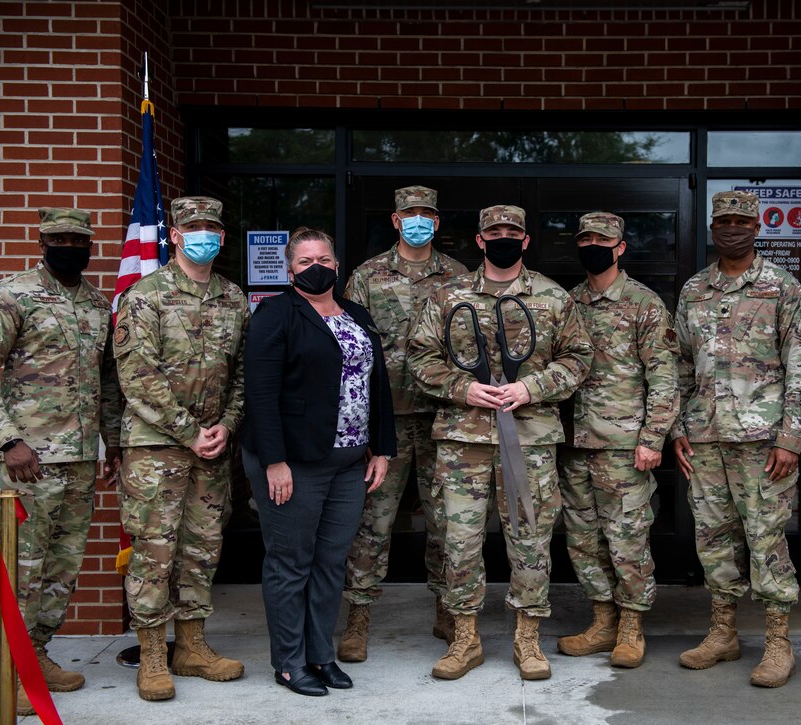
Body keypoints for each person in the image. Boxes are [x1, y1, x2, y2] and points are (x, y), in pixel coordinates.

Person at [407, 204, 592, 681]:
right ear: (480, 240)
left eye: (513, 231)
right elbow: (420, 357)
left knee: (529, 538)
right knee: (460, 540)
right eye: (495, 231)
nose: (504, 237)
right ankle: (464, 638)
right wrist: (462, 387)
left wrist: (531, 387)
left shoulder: (552, 298)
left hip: (528, 439)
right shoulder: (448, 296)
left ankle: (527, 639)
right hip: (463, 440)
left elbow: (579, 359)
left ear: (526, 241)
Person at [0, 207, 122, 715]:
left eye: (79, 239)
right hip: (27, 462)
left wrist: (112, 442)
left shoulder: (98, 304)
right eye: (59, 238)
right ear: (42, 241)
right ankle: (5, 671)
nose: (70, 246)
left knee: (62, 566)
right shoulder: (10, 295)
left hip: (78, 461)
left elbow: (108, 383)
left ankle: (37, 652)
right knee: (19, 567)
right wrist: (9, 442)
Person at [671, 190, 801, 688]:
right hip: (705, 436)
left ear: (757, 228)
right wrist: (677, 427)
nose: (732, 228)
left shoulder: (782, 288)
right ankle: (723, 633)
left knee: (766, 540)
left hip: (764, 443)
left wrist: (792, 439)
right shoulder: (694, 290)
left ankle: (778, 642)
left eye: (741, 221)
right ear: (713, 228)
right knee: (713, 539)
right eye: (724, 221)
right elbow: (680, 366)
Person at [240, 227, 396, 697]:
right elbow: (260, 393)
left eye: (323, 259)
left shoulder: (357, 313)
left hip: (349, 463)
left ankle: (320, 655)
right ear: (289, 271)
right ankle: (289, 662)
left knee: (330, 562)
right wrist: (275, 461)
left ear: (337, 264)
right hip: (294, 462)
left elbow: (378, 385)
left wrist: (382, 447)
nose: (316, 268)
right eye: (305, 261)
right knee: (291, 562)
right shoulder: (275, 314)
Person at [113, 196, 249, 701]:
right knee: (154, 550)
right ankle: (152, 653)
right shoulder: (144, 296)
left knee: (202, 549)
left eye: (213, 226)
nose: (204, 233)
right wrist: (188, 430)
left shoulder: (233, 299)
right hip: (156, 449)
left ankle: (192, 645)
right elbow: (137, 377)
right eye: (194, 226)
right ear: (174, 234)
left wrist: (227, 426)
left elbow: (242, 375)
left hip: (212, 449)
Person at [338, 186, 468, 662]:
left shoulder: (459, 277)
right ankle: (358, 618)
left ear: (437, 221)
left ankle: (448, 610)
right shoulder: (368, 276)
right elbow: (347, 347)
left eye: (426, 214)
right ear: (395, 221)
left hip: (443, 418)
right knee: (371, 523)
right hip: (385, 420)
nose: (418, 220)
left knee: (447, 521)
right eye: (409, 213)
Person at [556, 212, 679, 669]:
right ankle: (602, 619)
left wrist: (653, 438)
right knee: (583, 539)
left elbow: (664, 377)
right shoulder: (568, 302)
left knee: (626, 537)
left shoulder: (643, 303)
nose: (593, 245)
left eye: (602, 239)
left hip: (625, 446)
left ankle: (631, 625)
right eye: (585, 238)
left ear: (620, 246)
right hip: (573, 445)